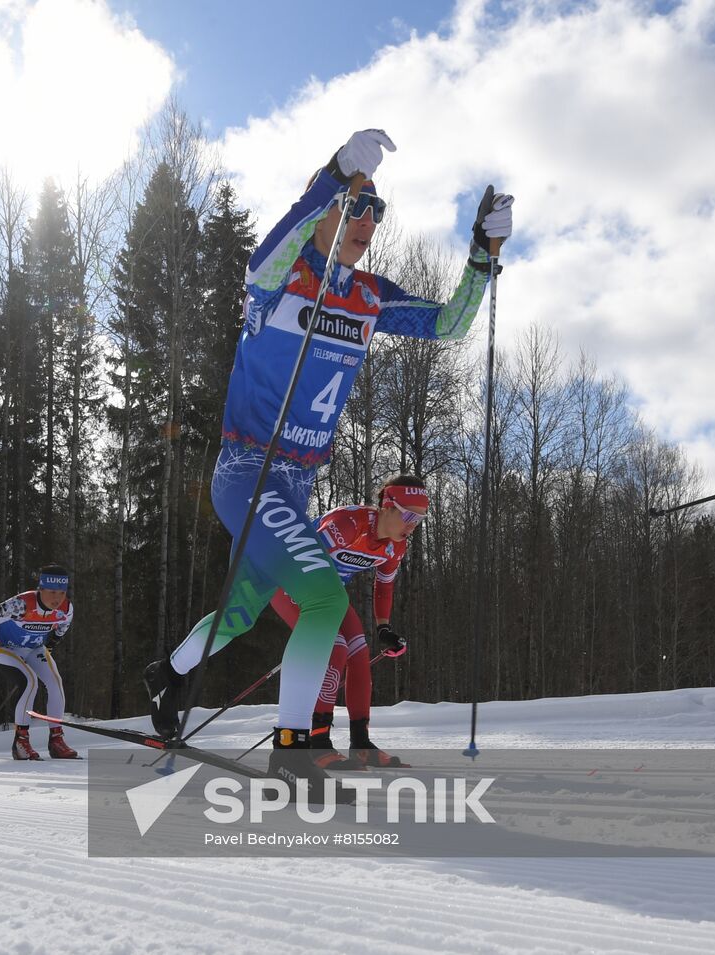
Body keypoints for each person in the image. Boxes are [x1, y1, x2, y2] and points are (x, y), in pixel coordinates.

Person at [143, 128, 512, 788]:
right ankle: (294, 750)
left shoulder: (368, 297)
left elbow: (450, 324)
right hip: (245, 472)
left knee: (242, 609)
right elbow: (264, 257)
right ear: (326, 212)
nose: (367, 222)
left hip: (293, 486)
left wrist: (481, 256)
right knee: (321, 598)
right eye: (355, 208)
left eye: (377, 212)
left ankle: (168, 674)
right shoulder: (280, 280)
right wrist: (336, 177)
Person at [268, 475, 426, 770]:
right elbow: (300, 558)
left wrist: (384, 628)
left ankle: (360, 743)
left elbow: (385, 586)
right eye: (407, 515)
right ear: (387, 506)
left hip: (329, 593)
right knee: (335, 648)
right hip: (290, 583)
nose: (412, 525)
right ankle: (317, 743)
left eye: (419, 518)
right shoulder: (348, 525)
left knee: (359, 651)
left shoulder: (395, 547)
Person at [0, 565, 77, 760]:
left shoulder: (66, 608)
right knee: (31, 682)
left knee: (56, 683)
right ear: (41, 589)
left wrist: (51, 645)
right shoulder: (21, 604)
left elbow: (61, 629)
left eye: (62, 592)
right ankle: (21, 742)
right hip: (5, 648)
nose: (57, 598)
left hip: (35, 649)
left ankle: (57, 740)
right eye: (52, 592)